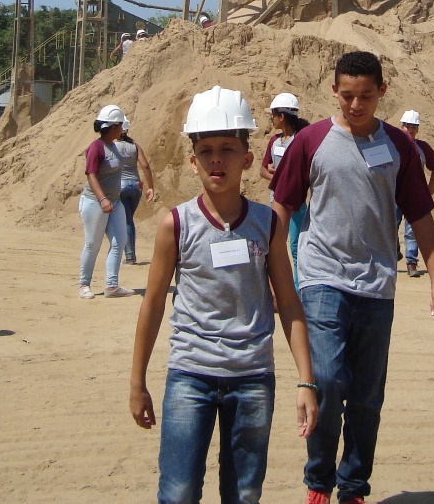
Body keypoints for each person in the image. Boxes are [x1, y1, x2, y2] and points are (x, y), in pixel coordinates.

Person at [271, 51, 434, 504]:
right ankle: (318, 481)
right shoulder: (310, 140)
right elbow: (282, 206)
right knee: (327, 381)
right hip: (322, 278)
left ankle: (353, 486)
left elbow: (420, 214)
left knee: (368, 396)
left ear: (382, 92)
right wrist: (272, 272)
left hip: (377, 284)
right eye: (347, 95)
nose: (355, 105)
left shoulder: (399, 146)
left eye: (366, 96)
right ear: (334, 90)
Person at [130, 86, 317, 504]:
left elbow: (289, 304)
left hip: (252, 378)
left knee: (244, 493)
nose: (217, 159)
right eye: (207, 151)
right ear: (192, 161)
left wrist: (306, 380)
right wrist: (137, 382)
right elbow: (153, 304)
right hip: (190, 376)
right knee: (178, 491)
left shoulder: (268, 224)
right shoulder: (175, 225)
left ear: (248, 159)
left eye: (228, 149)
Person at [80, 104, 132, 299]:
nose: (123, 130)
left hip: (115, 202)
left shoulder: (113, 146)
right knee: (93, 244)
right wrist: (102, 199)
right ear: (113, 127)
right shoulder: (96, 148)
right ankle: (84, 284)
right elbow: (91, 175)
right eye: (120, 126)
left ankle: (112, 286)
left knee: (120, 241)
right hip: (95, 203)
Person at [261, 92, 310, 286]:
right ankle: (276, 290)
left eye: (273, 114)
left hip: (297, 203)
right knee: (275, 246)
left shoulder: (300, 140)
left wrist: (282, 175)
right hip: (276, 201)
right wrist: (281, 177)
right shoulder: (274, 141)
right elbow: (263, 170)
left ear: (281, 116)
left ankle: (298, 290)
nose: (271, 119)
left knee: (297, 247)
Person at [396, 110, 434, 277]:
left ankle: (411, 263)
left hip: (414, 195)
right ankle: (393, 252)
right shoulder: (392, 144)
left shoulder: (422, 147)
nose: (410, 130)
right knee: (389, 226)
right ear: (401, 126)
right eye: (407, 126)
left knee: (412, 230)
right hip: (394, 193)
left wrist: (431, 186)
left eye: (414, 127)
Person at [116, 118, 156, 264]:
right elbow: (145, 166)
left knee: (126, 220)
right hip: (136, 185)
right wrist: (151, 187)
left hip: (120, 185)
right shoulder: (134, 146)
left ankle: (130, 256)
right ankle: (129, 254)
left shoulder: (113, 146)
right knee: (128, 219)